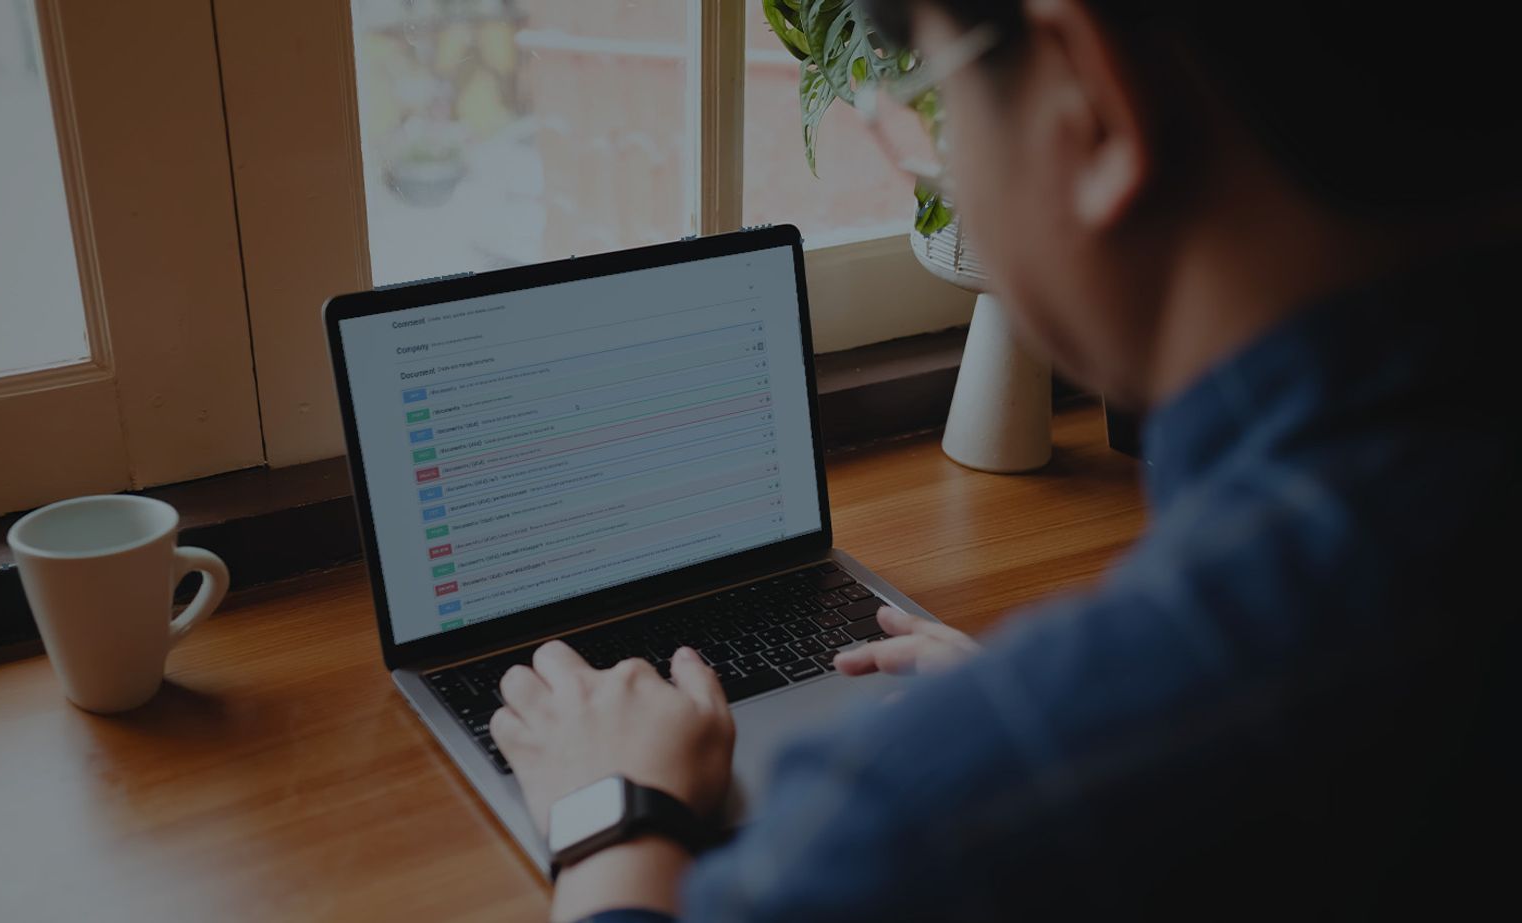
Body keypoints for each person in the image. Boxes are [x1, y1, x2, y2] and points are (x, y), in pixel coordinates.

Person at [489, 1, 1521, 919]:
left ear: (1088, 98)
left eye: (937, 103)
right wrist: (1047, 712)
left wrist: (609, 811)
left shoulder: (922, 818)